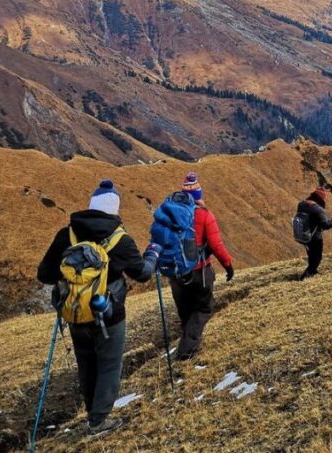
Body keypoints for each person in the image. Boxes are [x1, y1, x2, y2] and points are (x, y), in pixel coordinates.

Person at [37, 179, 156, 435]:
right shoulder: (120, 240)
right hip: (110, 314)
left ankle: (93, 413)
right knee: (110, 365)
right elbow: (143, 274)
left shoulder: (66, 235)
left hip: (75, 314)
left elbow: (44, 275)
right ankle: (99, 422)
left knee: (87, 364)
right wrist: (152, 255)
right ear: (114, 209)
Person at [169, 173, 234, 360]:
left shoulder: (170, 213)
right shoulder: (204, 214)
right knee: (204, 308)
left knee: (186, 310)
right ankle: (186, 351)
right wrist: (228, 265)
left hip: (176, 272)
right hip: (199, 270)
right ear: (198, 195)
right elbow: (216, 245)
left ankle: (187, 341)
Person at [296, 187, 332, 280]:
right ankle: (306, 276)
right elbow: (326, 225)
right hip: (315, 237)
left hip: (302, 234)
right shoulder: (318, 209)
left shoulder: (301, 204)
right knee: (317, 257)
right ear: (321, 199)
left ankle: (312, 271)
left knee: (311, 255)